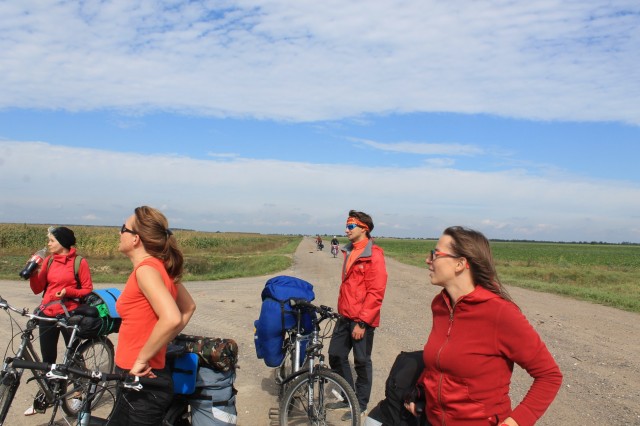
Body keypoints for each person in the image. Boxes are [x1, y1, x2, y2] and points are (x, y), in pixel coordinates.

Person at [405, 226, 562, 426]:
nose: (428, 260)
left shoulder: (499, 312)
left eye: (435, 254)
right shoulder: (440, 305)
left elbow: (549, 375)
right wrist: (420, 391)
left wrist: (513, 423)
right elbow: (439, 363)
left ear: (460, 264)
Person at [109, 206, 196, 425]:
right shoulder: (160, 268)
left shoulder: (146, 270)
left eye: (123, 228)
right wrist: (159, 344)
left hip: (144, 379)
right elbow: (188, 307)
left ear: (136, 238)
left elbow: (172, 317)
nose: (119, 233)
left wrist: (142, 358)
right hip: (140, 373)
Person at [26, 226, 93, 416]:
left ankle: (78, 393)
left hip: (69, 314)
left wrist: (68, 292)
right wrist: (33, 273)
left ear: (62, 242)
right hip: (47, 312)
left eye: (52, 240)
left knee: (74, 355)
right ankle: (46, 395)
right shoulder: (49, 261)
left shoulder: (79, 262)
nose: (48, 244)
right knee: (48, 357)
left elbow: (87, 289)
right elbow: (37, 289)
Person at [328, 210, 388, 420]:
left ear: (364, 228)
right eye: (347, 225)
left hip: (362, 320)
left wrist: (362, 322)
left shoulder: (374, 255)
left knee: (361, 362)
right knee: (336, 355)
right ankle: (348, 395)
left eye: (351, 226)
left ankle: (359, 404)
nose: (346, 230)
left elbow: (376, 291)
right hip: (344, 316)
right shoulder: (349, 250)